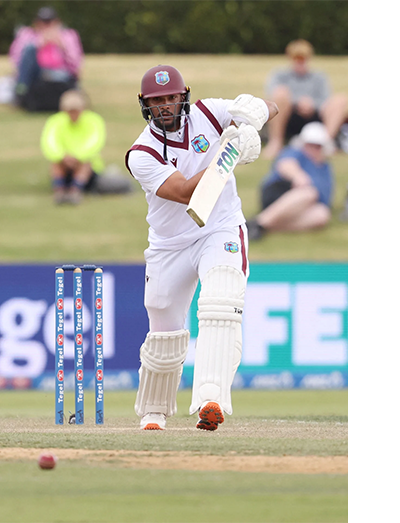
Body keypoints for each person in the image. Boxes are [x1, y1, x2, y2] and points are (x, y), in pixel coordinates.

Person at [125, 65, 279, 431]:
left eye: (170, 98)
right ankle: (154, 411)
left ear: (184, 96)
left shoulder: (209, 111)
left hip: (220, 226)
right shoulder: (141, 153)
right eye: (156, 101)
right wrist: (230, 152)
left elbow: (270, 107)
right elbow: (184, 192)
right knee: (163, 326)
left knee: (221, 301)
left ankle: (210, 398)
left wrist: (253, 115)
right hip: (169, 243)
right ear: (144, 105)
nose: (165, 106)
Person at [246, 122, 335, 241]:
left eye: (317, 146)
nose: (314, 149)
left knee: (322, 214)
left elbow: (325, 198)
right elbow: (285, 165)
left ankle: (261, 226)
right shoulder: (296, 152)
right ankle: (259, 222)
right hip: (279, 192)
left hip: (304, 206)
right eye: (310, 145)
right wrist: (298, 176)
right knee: (309, 193)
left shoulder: (325, 168)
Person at [40, 89, 132, 204]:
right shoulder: (55, 121)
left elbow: (95, 142)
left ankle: (75, 190)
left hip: (89, 166)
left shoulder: (93, 120)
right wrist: (62, 156)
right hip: (63, 162)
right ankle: (59, 191)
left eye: (76, 110)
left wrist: (77, 157)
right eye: (70, 111)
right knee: (56, 163)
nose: (73, 114)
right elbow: (49, 143)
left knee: (85, 163)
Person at [261, 39, 348, 159]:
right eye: (297, 59)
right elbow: (272, 97)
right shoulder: (279, 76)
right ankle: (276, 142)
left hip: (315, 117)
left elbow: (326, 99)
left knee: (341, 100)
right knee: (280, 94)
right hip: (289, 116)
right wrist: (298, 103)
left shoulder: (319, 77)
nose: (300, 62)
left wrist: (312, 104)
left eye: (303, 59)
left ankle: (325, 143)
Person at [9, 7, 83, 112]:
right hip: (36, 74)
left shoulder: (68, 36)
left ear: (57, 22)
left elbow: (76, 66)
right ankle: (21, 89)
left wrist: (63, 47)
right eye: (43, 22)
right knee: (30, 49)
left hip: (60, 73)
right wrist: (39, 44)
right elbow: (16, 61)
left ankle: (20, 91)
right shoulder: (27, 35)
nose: (46, 25)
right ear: (36, 22)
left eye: (49, 22)